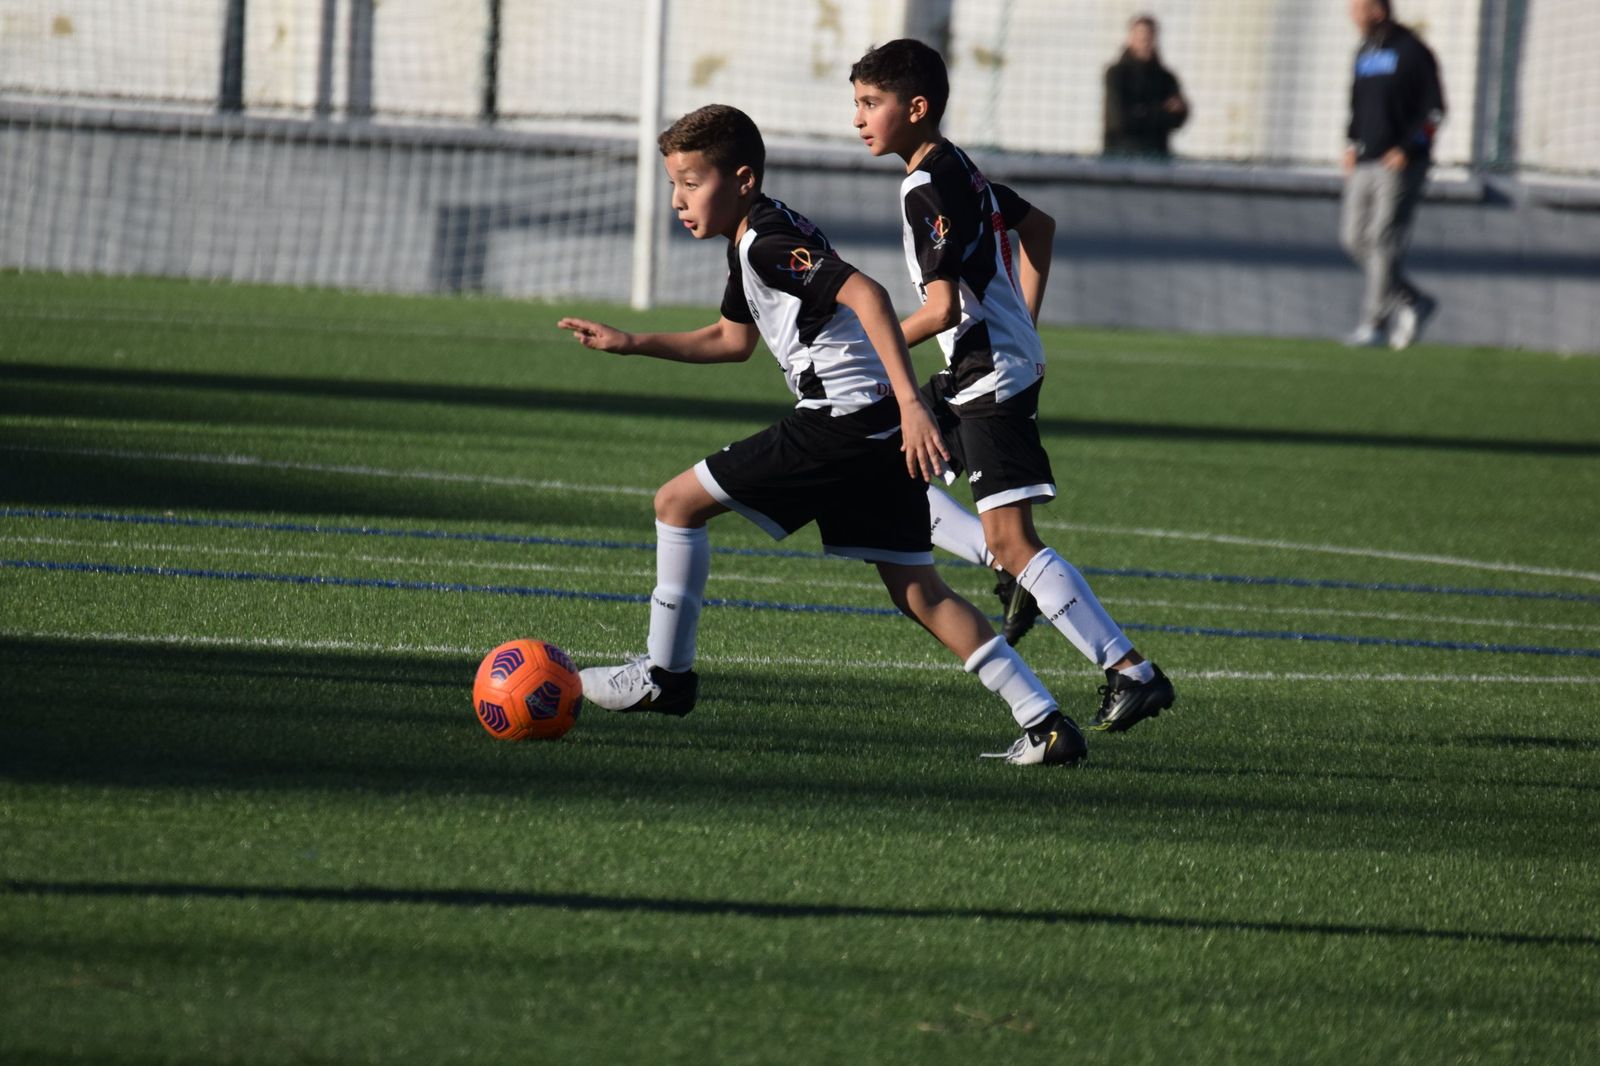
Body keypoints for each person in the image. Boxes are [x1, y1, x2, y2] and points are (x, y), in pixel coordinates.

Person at [559, 104, 1088, 766]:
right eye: (674, 184)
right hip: (871, 426)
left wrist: (910, 403)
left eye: (691, 182)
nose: (678, 199)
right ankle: (1046, 723)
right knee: (918, 591)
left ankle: (666, 676)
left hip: (842, 421)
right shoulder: (753, 234)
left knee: (676, 503)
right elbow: (731, 341)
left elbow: (865, 294)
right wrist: (632, 342)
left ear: (743, 178)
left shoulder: (768, 240)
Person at [849, 40, 1175, 734]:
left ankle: (1131, 671)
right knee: (876, 459)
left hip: (986, 374)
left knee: (1016, 537)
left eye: (871, 103)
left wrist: (863, 347)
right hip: (987, 361)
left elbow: (938, 309)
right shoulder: (959, 167)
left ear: (917, 107)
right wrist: (1022, 323)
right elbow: (1040, 229)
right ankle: (1004, 572)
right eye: (857, 103)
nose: (858, 119)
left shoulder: (926, 186)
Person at [1340, 0, 1445, 349]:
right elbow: (1358, 105)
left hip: (1399, 164)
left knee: (1383, 241)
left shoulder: (1413, 51)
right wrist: (1352, 143)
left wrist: (1408, 148)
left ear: (1378, 11)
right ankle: (1413, 300)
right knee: (1355, 240)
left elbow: (1435, 111)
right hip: (1366, 161)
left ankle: (1374, 324)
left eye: (1358, 8)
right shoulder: (1364, 53)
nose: (1351, 15)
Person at [1102, 14, 1188, 159]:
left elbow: (1178, 116)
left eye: (1148, 36)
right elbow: (1119, 120)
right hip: (1121, 156)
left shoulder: (1165, 78)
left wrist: (1142, 112)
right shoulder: (1117, 74)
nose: (1144, 41)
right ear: (1131, 38)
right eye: (1140, 35)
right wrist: (1161, 112)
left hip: (1157, 156)